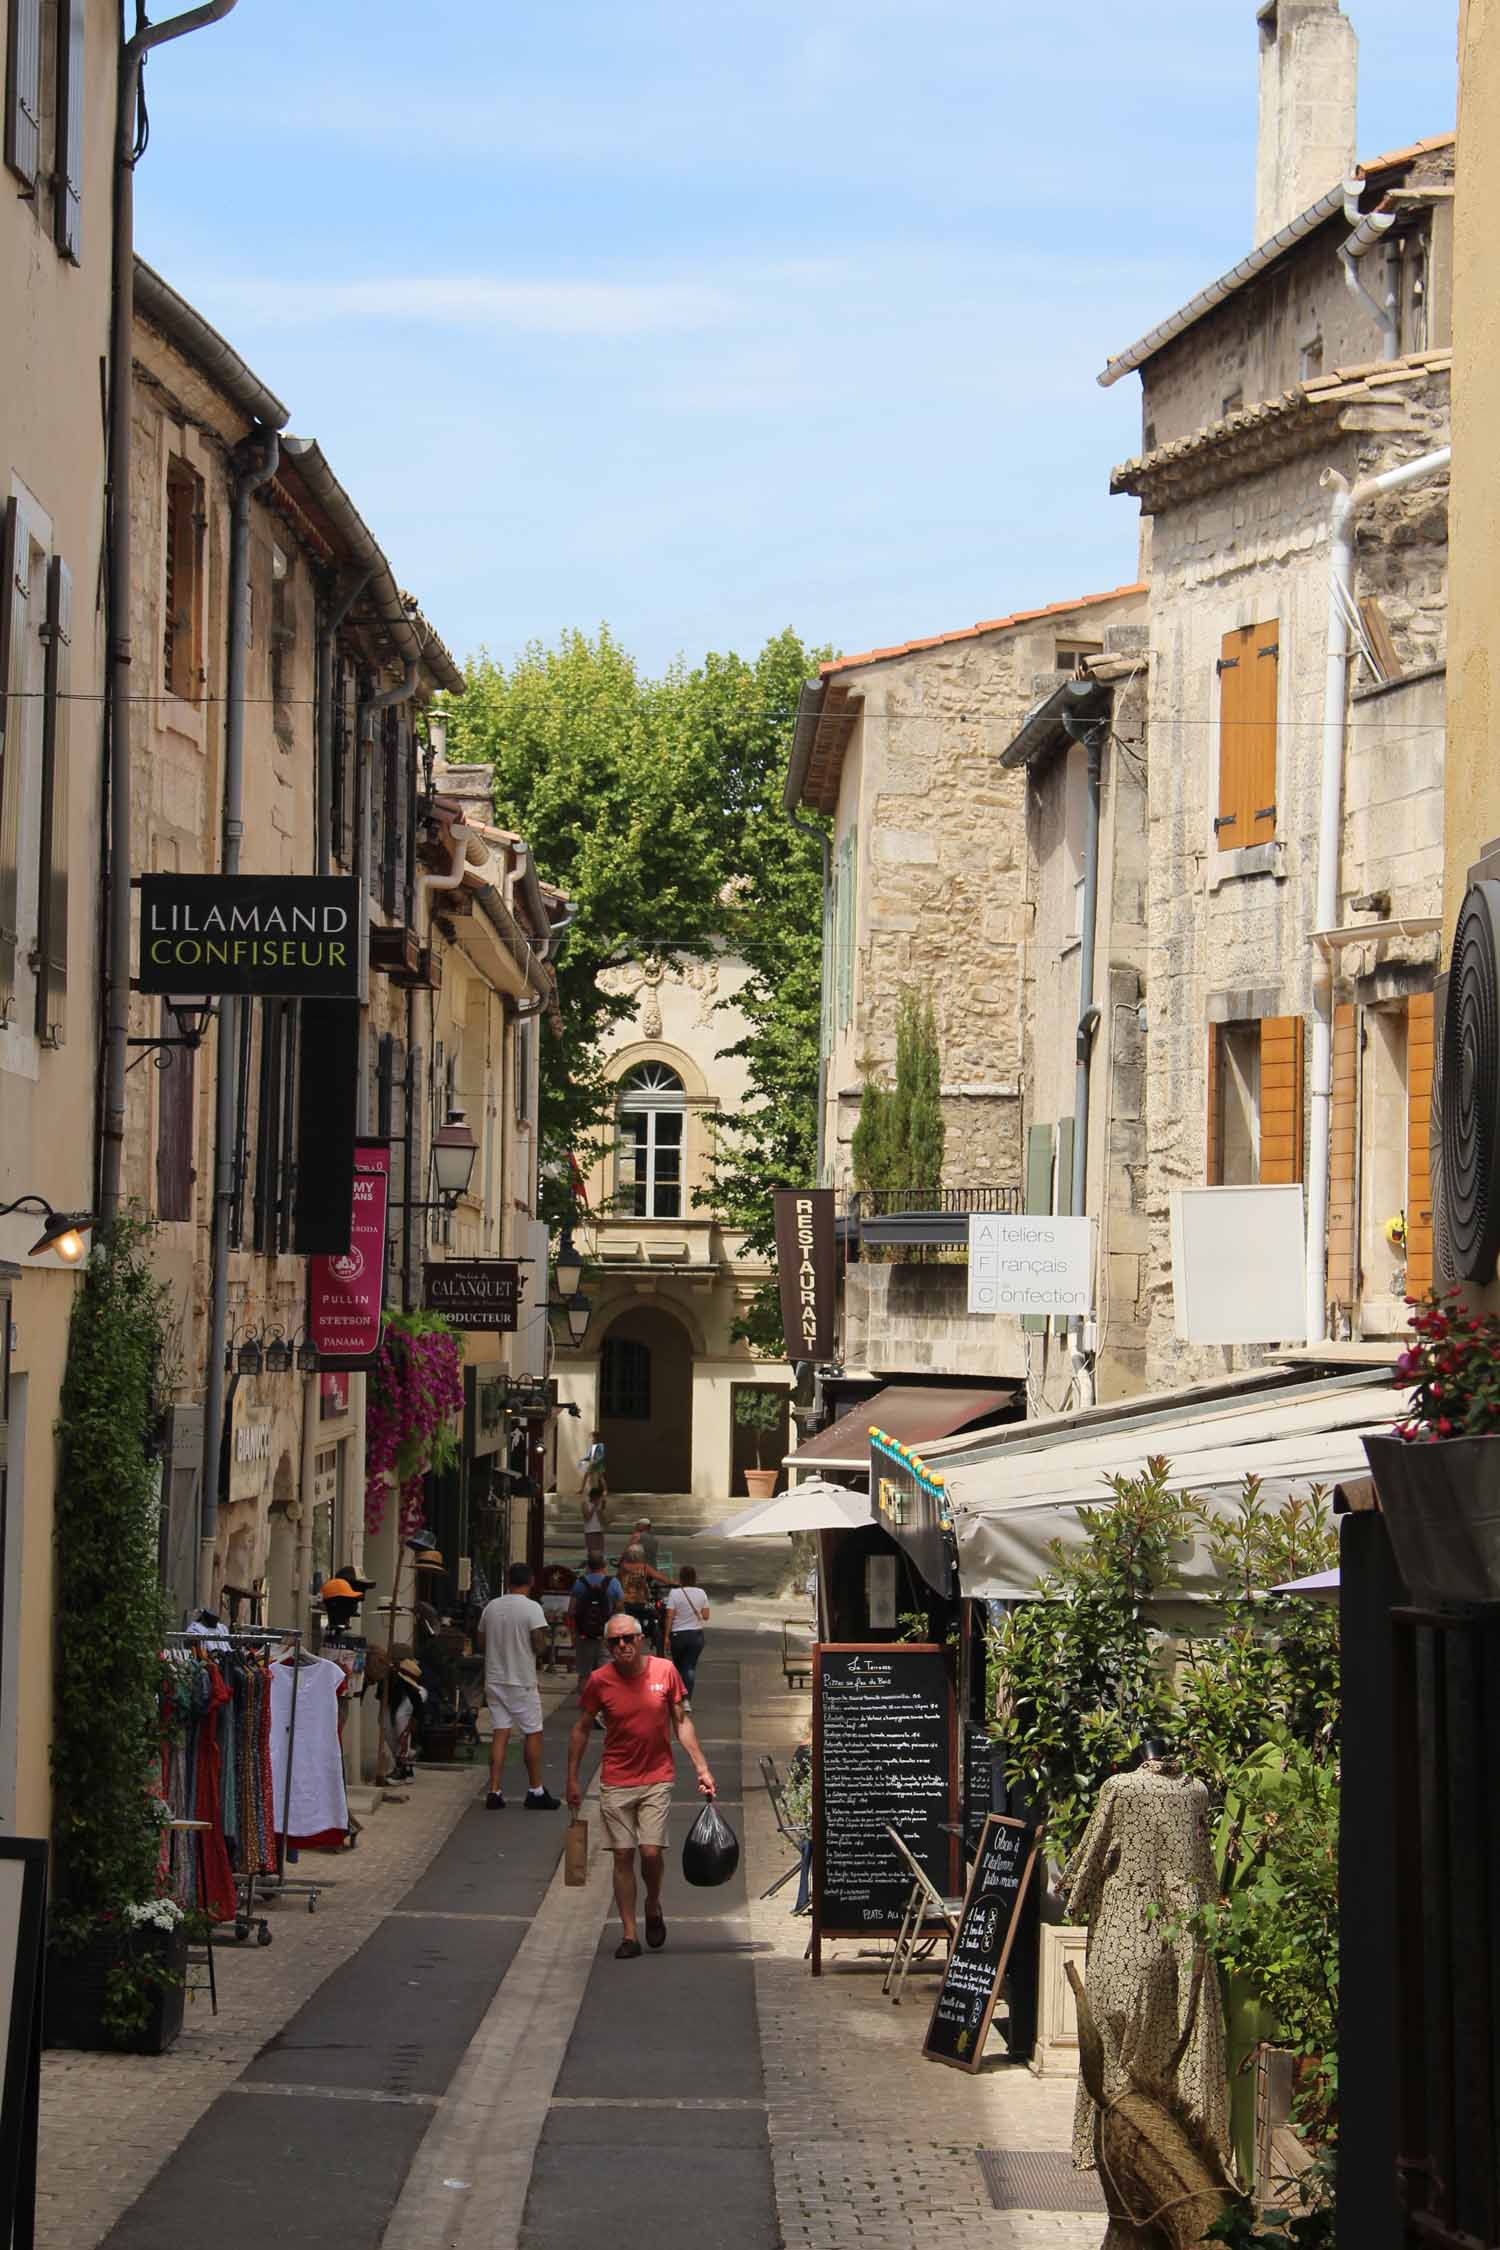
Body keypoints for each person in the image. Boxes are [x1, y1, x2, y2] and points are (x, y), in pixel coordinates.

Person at [566, 1612, 716, 1959]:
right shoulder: (599, 1681)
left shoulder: (665, 1671)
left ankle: (652, 1902)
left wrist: (702, 1769)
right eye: (615, 1641)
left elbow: (682, 1723)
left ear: (641, 1639)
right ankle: (629, 1935)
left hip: (657, 1777)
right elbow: (581, 1728)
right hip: (616, 1779)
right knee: (622, 1854)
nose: (622, 1646)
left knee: (650, 1851)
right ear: (607, 1646)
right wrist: (572, 1778)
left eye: (628, 1638)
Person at [478, 1561, 561, 1812]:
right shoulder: (532, 1608)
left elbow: (481, 1640)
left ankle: (494, 1790)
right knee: (532, 1731)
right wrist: (544, 1644)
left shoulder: (492, 1607)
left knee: (500, 1732)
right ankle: (535, 1789)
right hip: (521, 1680)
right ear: (531, 1581)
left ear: (508, 1580)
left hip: (494, 1677)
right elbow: (538, 1645)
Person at [569, 1556, 624, 1688]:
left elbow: (571, 1610)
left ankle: (586, 1704)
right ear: (605, 1566)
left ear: (588, 1567)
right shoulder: (614, 1582)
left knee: (584, 1673)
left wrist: (573, 1631)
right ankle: (603, 1703)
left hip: (584, 1633)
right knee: (606, 1670)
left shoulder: (579, 1583)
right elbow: (620, 1608)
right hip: (606, 1633)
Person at [661, 1566, 710, 1702]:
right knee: (690, 1667)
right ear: (694, 1578)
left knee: (677, 1666)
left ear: (681, 1578)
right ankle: (687, 1700)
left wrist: (666, 1636)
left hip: (678, 1635)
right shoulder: (701, 1592)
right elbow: (706, 1616)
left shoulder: (674, 1593)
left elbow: (669, 1616)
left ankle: (677, 1697)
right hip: (696, 1635)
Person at [617, 1540, 668, 1647]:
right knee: (652, 1615)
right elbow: (659, 1577)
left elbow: (617, 1581)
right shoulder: (644, 1567)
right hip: (641, 1601)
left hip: (626, 1602)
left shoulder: (623, 1566)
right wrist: (675, 1582)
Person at [581, 1471, 609, 1566]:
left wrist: (602, 1479)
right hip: (590, 1531)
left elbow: (605, 1492)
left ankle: (601, 1569)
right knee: (592, 1553)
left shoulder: (600, 1503)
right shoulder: (586, 1504)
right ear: (594, 1497)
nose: (599, 1499)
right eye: (598, 1498)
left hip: (599, 1530)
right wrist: (594, 1506)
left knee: (601, 1552)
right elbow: (587, 1517)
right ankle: (591, 1568)